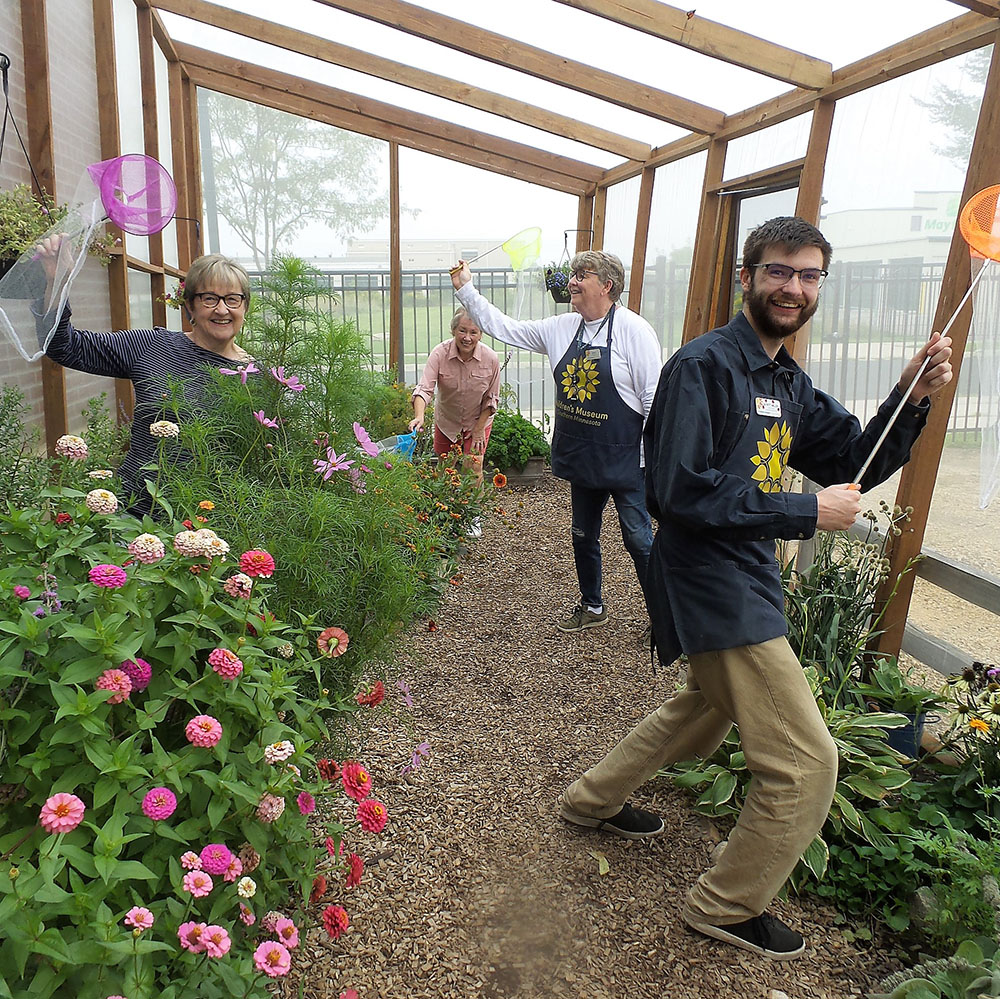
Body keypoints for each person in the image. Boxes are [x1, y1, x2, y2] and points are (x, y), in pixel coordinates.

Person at [558, 217, 953, 960]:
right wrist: (805, 510)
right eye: (778, 270)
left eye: (808, 275)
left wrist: (910, 396)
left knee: (703, 710)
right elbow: (676, 491)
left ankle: (590, 800)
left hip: (748, 575)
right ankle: (726, 904)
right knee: (807, 763)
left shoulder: (786, 380)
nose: (793, 287)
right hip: (710, 581)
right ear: (747, 276)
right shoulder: (702, 368)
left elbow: (852, 458)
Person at [451, 250, 661, 632]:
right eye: (573, 273)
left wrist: (651, 461)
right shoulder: (560, 328)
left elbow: (653, 401)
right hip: (583, 456)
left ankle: (666, 620)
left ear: (607, 285)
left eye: (582, 275)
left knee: (640, 541)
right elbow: (505, 327)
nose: (572, 281)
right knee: (582, 536)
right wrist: (466, 290)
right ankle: (593, 606)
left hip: (627, 460)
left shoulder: (635, 331)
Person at [34, 239, 252, 515]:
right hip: (136, 515)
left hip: (210, 519)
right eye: (209, 298)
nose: (222, 310)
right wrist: (57, 282)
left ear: (244, 307)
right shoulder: (152, 346)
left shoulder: (256, 377)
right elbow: (64, 347)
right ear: (190, 305)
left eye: (232, 299)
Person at [409, 306, 500, 486]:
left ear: (481, 334)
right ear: (453, 330)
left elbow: (491, 399)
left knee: (473, 467)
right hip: (447, 421)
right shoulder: (439, 354)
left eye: (473, 332)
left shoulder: (491, 359)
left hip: (478, 420)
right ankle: (447, 503)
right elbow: (424, 389)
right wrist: (419, 416)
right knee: (445, 468)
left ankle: (475, 505)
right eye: (462, 331)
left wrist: (479, 429)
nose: (467, 338)